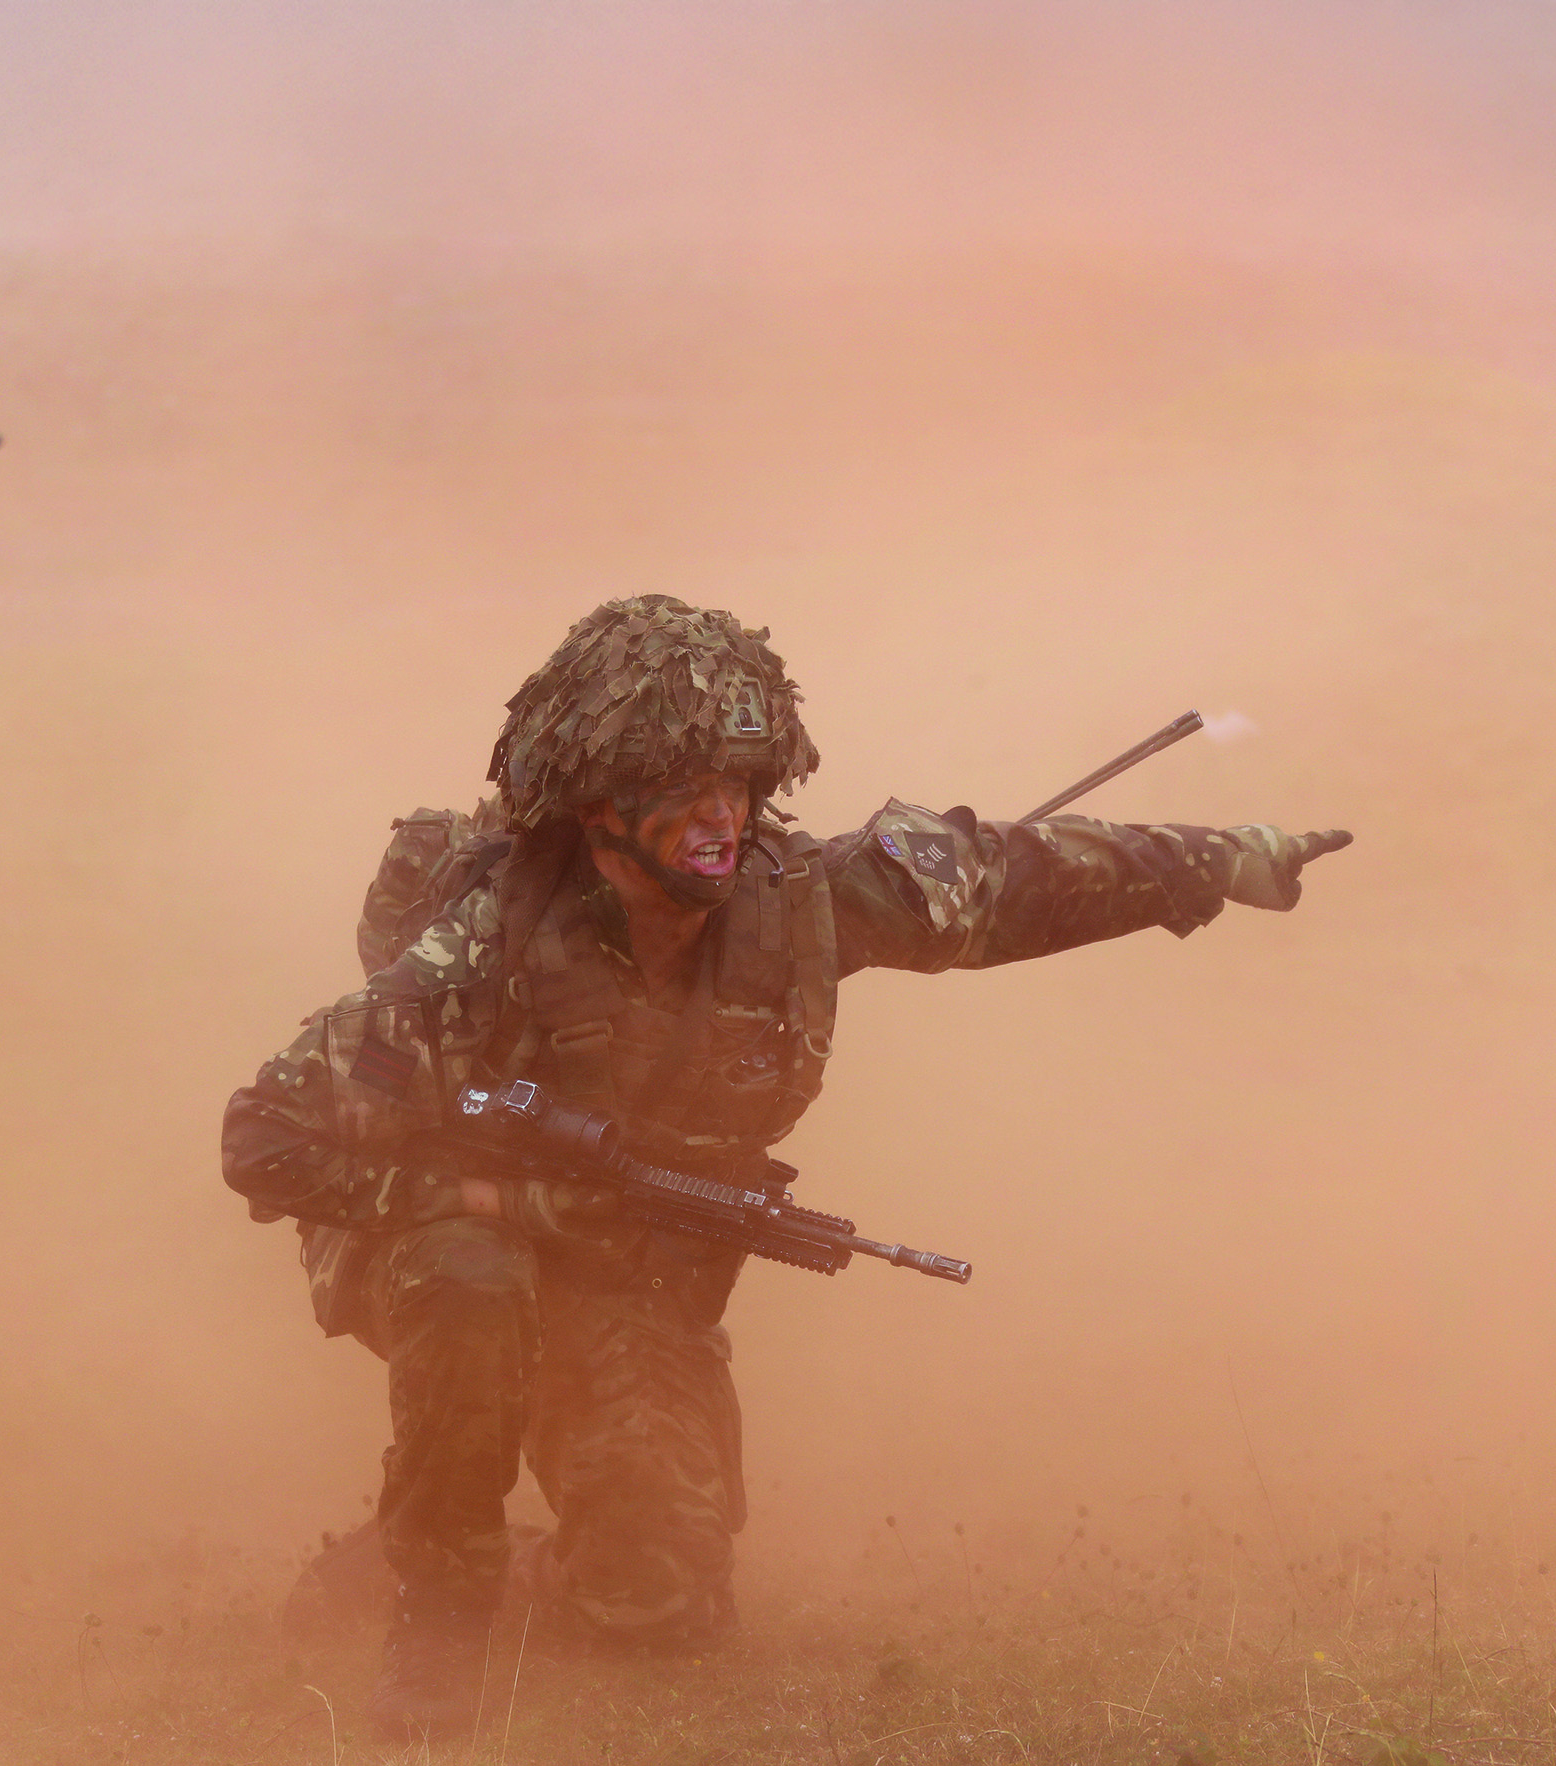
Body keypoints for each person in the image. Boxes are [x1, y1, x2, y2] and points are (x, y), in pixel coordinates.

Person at [221, 595, 1351, 1736]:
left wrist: (1230, 860)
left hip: (623, 1268)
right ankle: (439, 1611)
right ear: (601, 810)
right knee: (471, 1276)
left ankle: (467, 1550)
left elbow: (1013, 874)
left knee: (656, 1600)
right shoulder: (476, 945)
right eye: (683, 791)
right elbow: (262, 1133)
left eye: (739, 787)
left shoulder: (799, 900)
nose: (720, 816)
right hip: (447, 1244)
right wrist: (486, 1194)